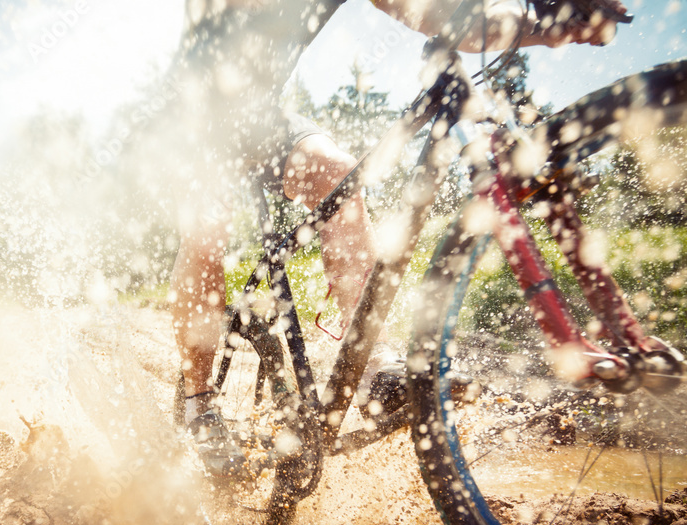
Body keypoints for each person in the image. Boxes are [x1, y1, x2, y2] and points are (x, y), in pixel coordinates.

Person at [167, 0, 628, 467]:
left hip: (260, 117)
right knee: (206, 223)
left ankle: (373, 371)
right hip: (195, 116)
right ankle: (198, 407)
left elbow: (449, 19)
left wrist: (553, 26)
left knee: (338, 175)